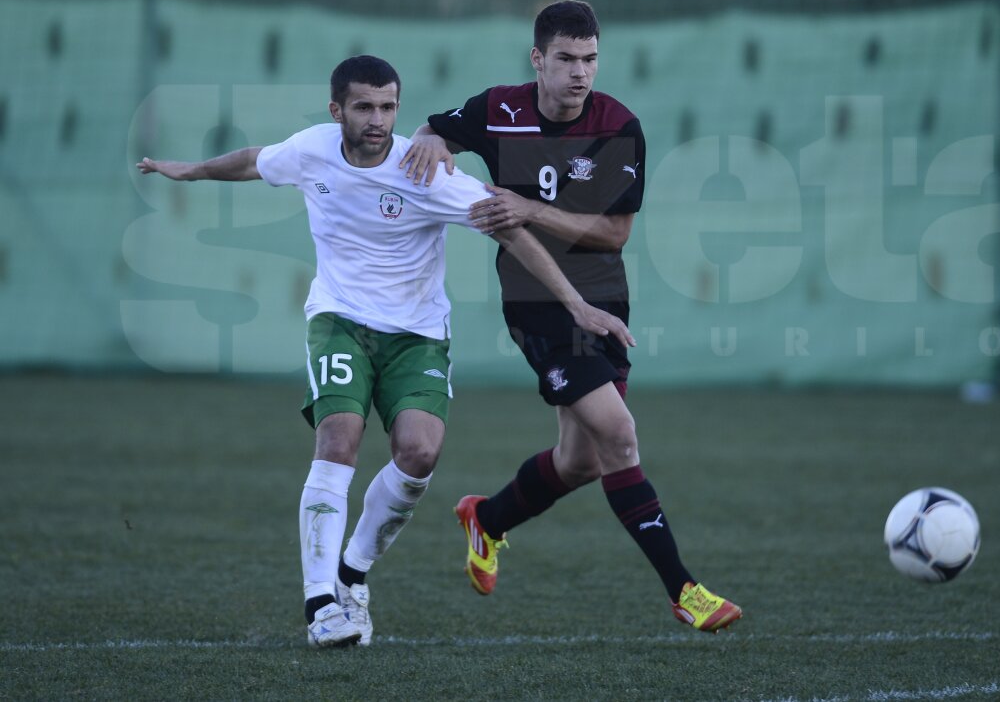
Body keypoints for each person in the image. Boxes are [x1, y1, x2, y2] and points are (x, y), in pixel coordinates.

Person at [137, 54, 634, 648]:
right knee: (339, 438)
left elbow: (510, 231)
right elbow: (252, 161)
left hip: (418, 332)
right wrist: (187, 171)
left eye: (389, 107)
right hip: (339, 320)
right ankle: (322, 603)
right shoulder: (313, 149)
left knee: (420, 454)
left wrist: (577, 305)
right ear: (336, 110)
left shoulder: (425, 172)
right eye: (365, 107)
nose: (378, 120)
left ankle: (353, 573)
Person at [400, 0, 741, 632]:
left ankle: (487, 519)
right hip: (536, 305)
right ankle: (685, 591)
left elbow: (613, 232)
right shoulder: (499, 110)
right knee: (619, 434)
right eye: (565, 59)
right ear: (538, 60)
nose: (580, 73)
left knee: (581, 459)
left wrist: (527, 208)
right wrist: (427, 145)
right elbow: (431, 132)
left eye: (589, 59)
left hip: (603, 299)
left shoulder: (619, 127)